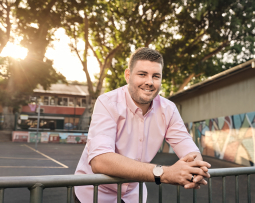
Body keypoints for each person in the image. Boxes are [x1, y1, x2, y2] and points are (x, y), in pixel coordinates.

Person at [74, 48, 211, 203]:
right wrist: (164, 173)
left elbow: (190, 151)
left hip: (133, 196)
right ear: (128, 75)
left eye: (156, 76)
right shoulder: (107, 103)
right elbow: (100, 160)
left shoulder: (169, 109)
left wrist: (195, 169)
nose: (149, 82)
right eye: (142, 74)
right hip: (94, 194)